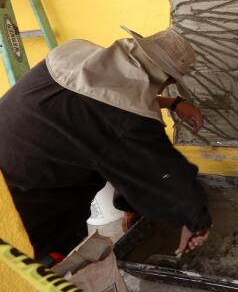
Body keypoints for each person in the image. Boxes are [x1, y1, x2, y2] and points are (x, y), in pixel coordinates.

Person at [0, 26, 211, 263]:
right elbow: (163, 172)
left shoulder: (74, 58)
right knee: (44, 267)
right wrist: (197, 220)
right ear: (167, 79)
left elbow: (107, 99)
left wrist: (172, 103)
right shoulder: (125, 124)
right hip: (25, 205)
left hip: (12, 155)